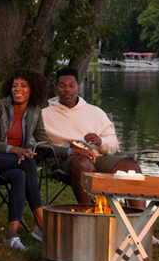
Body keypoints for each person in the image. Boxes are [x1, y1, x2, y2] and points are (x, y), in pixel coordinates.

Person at [41, 65, 141, 207]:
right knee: (82, 163)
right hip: (65, 160)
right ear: (56, 88)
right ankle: (87, 211)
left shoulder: (95, 112)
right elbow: (38, 144)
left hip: (98, 157)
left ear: (78, 88)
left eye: (71, 86)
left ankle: (139, 220)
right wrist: (70, 150)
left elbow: (113, 143)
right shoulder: (44, 114)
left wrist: (101, 141)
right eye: (62, 86)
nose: (67, 90)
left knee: (130, 166)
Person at [0, 68, 49, 249]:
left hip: (14, 163)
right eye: (14, 85)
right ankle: (42, 223)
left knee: (20, 175)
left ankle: (11, 237)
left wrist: (71, 152)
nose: (17, 89)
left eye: (23, 86)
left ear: (33, 89)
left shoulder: (35, 112)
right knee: (27, 161)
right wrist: (14, 149)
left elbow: (45, 142)